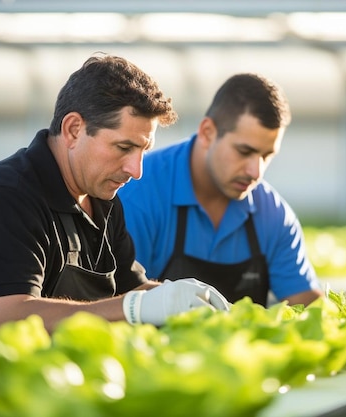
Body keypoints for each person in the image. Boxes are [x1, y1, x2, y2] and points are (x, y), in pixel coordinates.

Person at [0, 54, 230, 362]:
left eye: (143, 150)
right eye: (124, 147)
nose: (136, 170)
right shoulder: (3, 196)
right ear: (73, 129)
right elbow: (10, 316)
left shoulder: (103, 200)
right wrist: (137, 308)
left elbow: (130, 288)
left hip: (26, 381)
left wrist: (179, 296)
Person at [118, 73, 323, 307]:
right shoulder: (139, 195)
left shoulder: (274, 215)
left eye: (267, 156)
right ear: (207, 132)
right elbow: (116, 304)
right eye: (244, 152)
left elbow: (309, 308)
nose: (256, 171)